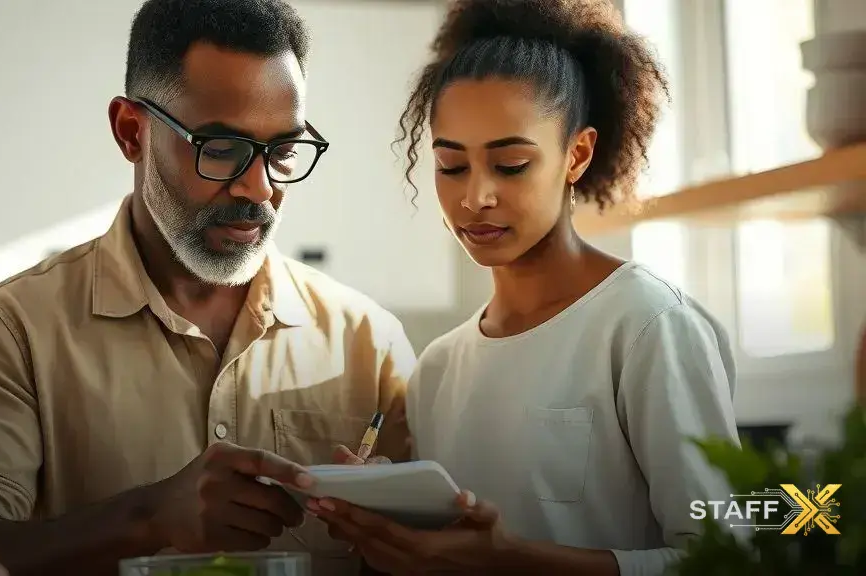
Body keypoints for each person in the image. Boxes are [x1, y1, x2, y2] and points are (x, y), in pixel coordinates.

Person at [0, 1, 414, 575]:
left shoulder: (370, 344)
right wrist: (149, 517)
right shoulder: (13, 331)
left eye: (283, 152)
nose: (259, 188)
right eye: (220, 149)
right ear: (131, 132)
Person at [310, 0, 741, 574]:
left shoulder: (647, 326)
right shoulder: (438, 369)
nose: (475, 198)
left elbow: (725, 557)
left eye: (510, 164)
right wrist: (391, 525)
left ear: (577, 155)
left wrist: (513, 560)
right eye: (451, 166)